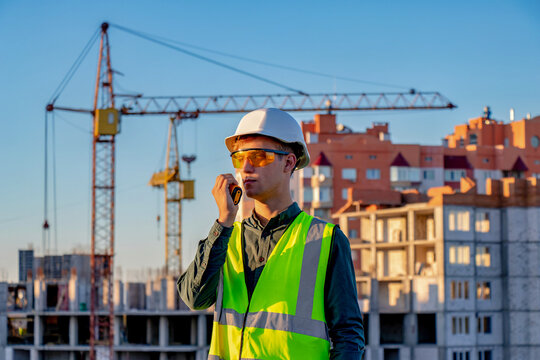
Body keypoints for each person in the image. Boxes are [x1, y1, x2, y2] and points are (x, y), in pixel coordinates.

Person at [178, 108, 365, 359]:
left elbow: (348, 336)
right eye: (239, 157)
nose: (245, 167)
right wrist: (223, 221)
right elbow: (194, 298)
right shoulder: (226, 237)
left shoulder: (326, 240)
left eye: (258, 156)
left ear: (288, 162)